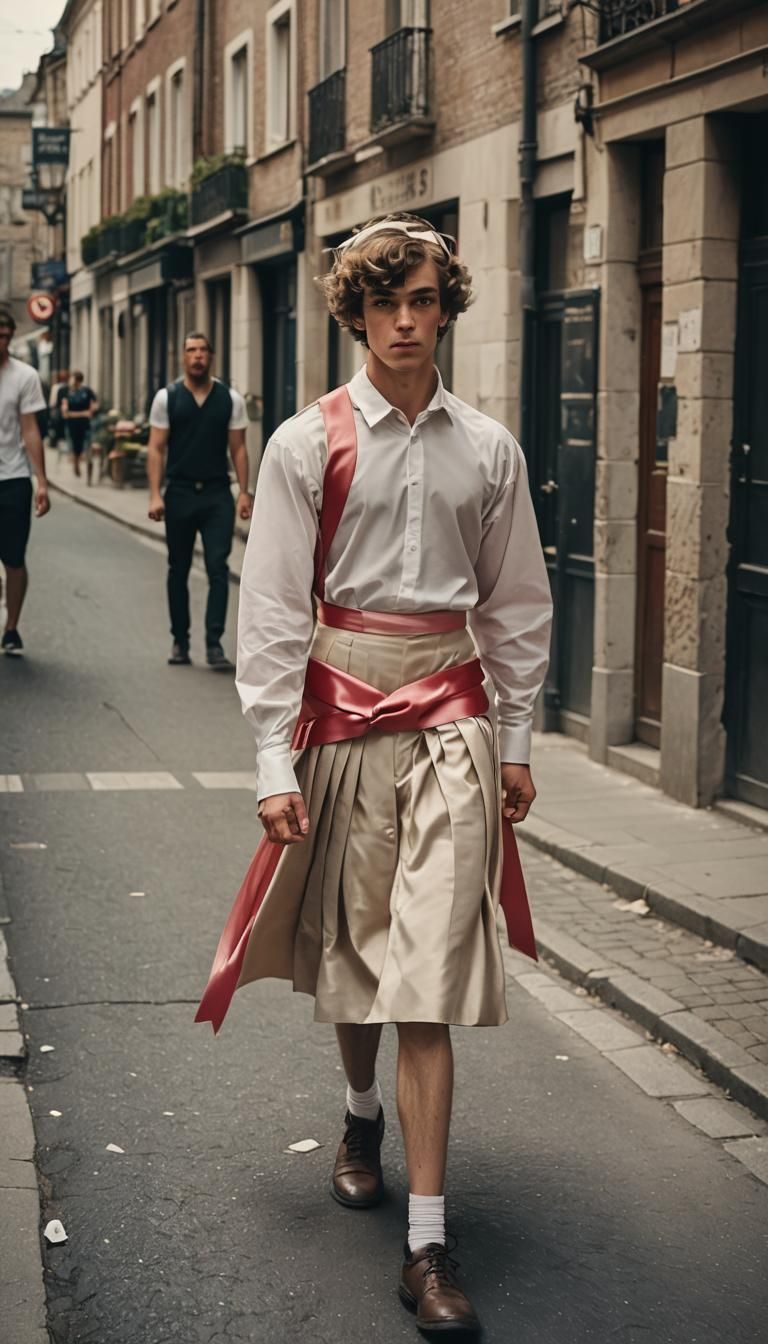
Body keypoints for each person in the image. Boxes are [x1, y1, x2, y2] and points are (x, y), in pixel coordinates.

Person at [195, 214, 553, 1333]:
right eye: (386, 301)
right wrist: (270, 755)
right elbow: (269, 610)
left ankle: (429, 1248)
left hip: (451, 726)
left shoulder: (489, 450)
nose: (407, 320)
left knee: (431, 977)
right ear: (355, 311)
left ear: (449, 306)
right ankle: (360, 1118)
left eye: (425, 300)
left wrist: (520, 742)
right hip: (342, 720)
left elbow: (517, 604)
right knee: (357, 951)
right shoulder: (309, 444)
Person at [147, 333, 253, 669]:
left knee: (218, 568)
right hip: (178, 492)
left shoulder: (230, 399)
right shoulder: (168, 397)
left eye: (203, 351)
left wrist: (244, 492)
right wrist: (154, 493)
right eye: (190, 350)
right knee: (177, 568)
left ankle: (214, 644)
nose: (197, 357)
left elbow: (238, 447)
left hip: (217, 493)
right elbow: (156, 447)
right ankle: (180, 640)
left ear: (212, 357)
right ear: (183, 357)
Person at [0, 308, 51, 655]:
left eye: (5, 334)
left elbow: (30, 428)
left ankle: (12, 628)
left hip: (14, 477)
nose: (0, 340)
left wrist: (42, 480)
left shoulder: (25, 375)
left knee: (14, 557)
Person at [62, 371, 98, 477]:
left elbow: (94, 404)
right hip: (72, 425)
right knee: (74, 446)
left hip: (85, 424)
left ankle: (88, 469)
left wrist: (90, 411)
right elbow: (65, 412)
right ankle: (76, 464)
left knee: (87, 446)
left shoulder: (86, 391)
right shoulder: (67, 392)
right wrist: (83, 413)